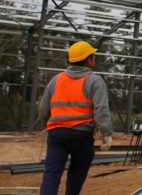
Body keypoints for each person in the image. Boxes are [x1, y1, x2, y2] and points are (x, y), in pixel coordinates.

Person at [37, 40, 113, 195]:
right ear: (88, 59)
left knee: (51, 173)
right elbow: (101, 109)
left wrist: (48, 124)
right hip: (81, 135)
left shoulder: (56, 80)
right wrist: (106, 133)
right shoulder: (94, 81)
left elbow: (43, 108)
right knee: (77, 172)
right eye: (93, 56)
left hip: (57, 134)